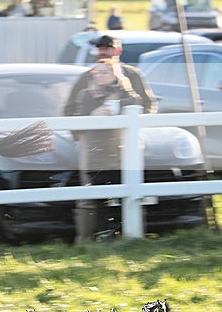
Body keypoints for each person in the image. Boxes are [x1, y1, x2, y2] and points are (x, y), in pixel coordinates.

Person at [66, 58, 142, 243]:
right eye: (97, 73)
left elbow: (136, 103)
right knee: (99, 197)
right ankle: (103, 234)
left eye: (104, 72)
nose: (100, 76)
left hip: (119, 151)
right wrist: (92, 115)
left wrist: (115, 106)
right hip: (95, 151)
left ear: (113, 74)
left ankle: (126, 233)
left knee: (124, 193)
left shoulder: (124, 93)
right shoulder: (86, 94)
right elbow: (79, 117)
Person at [63, 34, 157, 117]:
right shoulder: (86, 77)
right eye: (100, 49)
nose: (103, 53)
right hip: (93, 134)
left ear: (118, 51)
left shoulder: (132, 75)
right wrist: (79, 134)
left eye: (108, 49)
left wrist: (136, 125)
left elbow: (147, 104)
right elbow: (70, 110)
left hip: (125, 133)